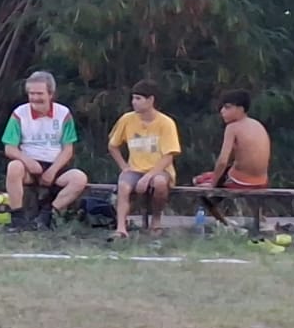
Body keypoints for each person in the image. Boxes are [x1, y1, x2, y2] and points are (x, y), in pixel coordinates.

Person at [1, 71, 87, 228]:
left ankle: (47, 215)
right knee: (14, 167)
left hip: (55, 165)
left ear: (51, 94)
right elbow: (9, 148)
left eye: (39, 94)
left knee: (79, 178)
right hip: (29, 165)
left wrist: (53, 170)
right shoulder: (19, 113)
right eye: (31, 93)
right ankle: (18, 219)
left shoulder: (63, 114)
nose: (35, 98)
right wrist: (29, 162)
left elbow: (68, 149)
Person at [107, 80, 181, 239]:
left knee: (159, 183)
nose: (134, 102)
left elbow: (169, 155)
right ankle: (121, 228)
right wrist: (123, 166)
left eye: (138, 98)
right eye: (133, 98)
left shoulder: (166, 123)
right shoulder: (127, 119)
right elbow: (113, 145)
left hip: (159, 170)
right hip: (135, 169)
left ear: (151, 100)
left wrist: (148, 177)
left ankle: (156, 221)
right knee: (123, 185)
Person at [194, 90, 271, 191]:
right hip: (262, 182)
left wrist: (213, 185)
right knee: (214, 176)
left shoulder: (232, 127)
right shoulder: (257, 124)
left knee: (199, 180)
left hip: (241, 182)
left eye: (227, 107)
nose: (222, 111)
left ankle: (208, 201)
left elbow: (223, 161)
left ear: (241, 109)